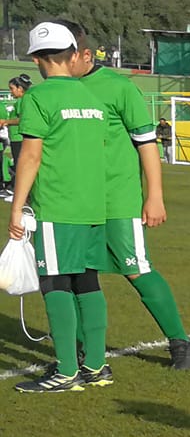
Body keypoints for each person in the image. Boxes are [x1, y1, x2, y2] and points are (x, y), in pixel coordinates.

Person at [7, 22, 121, 391]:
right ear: (73, 55)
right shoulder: (92, 98)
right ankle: (98, 366)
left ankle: (66, 370)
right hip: (93, 206)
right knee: (87, 282)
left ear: (39, 59)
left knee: (55, 283)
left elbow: (31, 156)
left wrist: (16, 207)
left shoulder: (38, 99)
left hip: (58, 205)